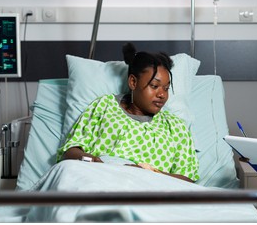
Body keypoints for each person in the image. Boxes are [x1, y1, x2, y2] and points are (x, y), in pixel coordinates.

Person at [57, 42, 199, 183]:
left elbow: (187, 181)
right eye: (154, 86)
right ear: (133, 82)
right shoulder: (104, 106)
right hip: (98, 178)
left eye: (166, 88)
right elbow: (70, 151)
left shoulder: (175, 127)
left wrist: (149, 173)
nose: (162, 94)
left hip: (149, 187)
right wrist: (91, 161)